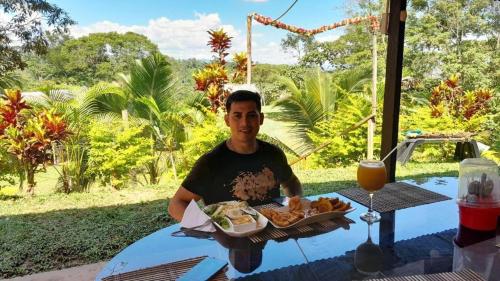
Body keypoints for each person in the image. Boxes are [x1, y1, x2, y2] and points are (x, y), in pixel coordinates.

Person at [168, 89, 302, 221]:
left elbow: (291, 182)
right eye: (237, 116)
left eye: (251, 115)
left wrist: (295, 202)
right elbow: (177, 204)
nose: (244, 123)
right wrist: (208, 227)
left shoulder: (274, 154)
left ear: (260, 119)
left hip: (271, 234)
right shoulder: (211, 162)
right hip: (230, 238)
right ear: (227, 120)